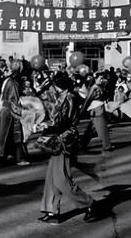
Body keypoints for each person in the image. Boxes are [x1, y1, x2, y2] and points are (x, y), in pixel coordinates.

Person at [38, 72, 101, 224]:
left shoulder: (69, 98)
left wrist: (46, 124)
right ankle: (51, 211)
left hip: (64, 140)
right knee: (52, 178)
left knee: (61, 179)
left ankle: (89, 203)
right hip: (57, 139)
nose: (53, 87)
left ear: (60, 86)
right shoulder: (62, 97)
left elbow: (62, 121)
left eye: (55, 85)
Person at [0, 60, 30, 165]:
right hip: (12, 111)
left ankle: (3, 154)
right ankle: (19, 157)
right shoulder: (12, 83)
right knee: (17, 134)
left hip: (7, 110)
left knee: (6, 134)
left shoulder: (9, 81)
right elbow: (14, 100)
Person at [80, 71, 113, 152]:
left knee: (92, 129)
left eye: (103, 78)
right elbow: (88, 100)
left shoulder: (101, 87)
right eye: (100, 78)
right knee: (103, 128)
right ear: (96, 79)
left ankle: (82, 143)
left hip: (100, 109)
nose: (102, 80)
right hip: (96, 110)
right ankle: (107, 145)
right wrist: (81, 111)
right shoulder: (94, 88)